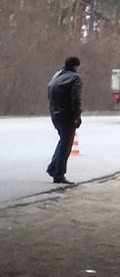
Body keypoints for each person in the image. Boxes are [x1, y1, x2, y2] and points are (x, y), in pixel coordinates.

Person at [46, 56, 82, 185]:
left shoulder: (56, 76)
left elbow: (49, 92)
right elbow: (76, 100)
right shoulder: (75, 78)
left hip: (55, 114)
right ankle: (59, 174)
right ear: (75, 66)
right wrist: (77, 116)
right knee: (66, 144)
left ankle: (53, 168)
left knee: (63, 141)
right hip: (67, 115)